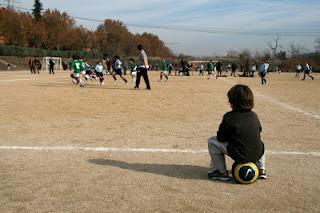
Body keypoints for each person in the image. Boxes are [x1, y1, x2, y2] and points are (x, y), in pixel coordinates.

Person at [207, 84, 266, 180]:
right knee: (260, 143)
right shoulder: (254, 115)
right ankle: (261, 169)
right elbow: (259, 131)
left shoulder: (229, 117)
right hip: (257, 153)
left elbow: (221, 138)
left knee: (212, 141)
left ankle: (220, 172)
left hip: (239, 154)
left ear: (232, 101)